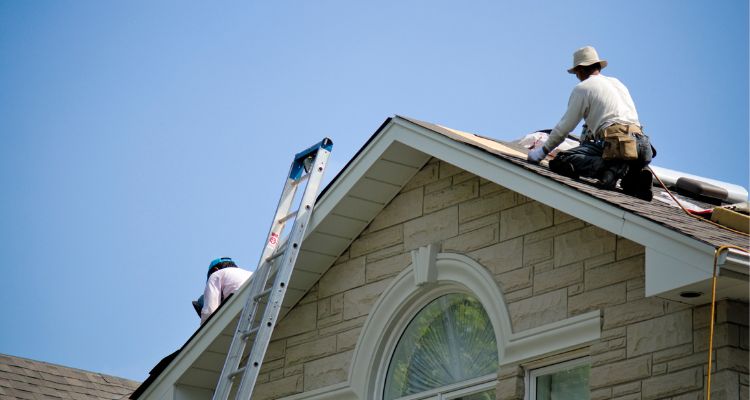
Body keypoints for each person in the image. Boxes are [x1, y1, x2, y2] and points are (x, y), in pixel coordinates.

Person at [527, 46, 655, 201]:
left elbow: (564, 128)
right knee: (628, 182)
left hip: (617, 145)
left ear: (580, 69)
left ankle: (608, 170)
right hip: (642, 146)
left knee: (562, 160)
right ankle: (633, 176)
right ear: (597, 66)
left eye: (576, 73)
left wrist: (542, 152)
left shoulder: (583, 88)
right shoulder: (617, 83)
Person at [200, 257, 252, 324]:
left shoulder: (215, 274)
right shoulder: (248, 272)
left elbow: (210, 310)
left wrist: (203, 328)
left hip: (240, 305)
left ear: (216, 269)